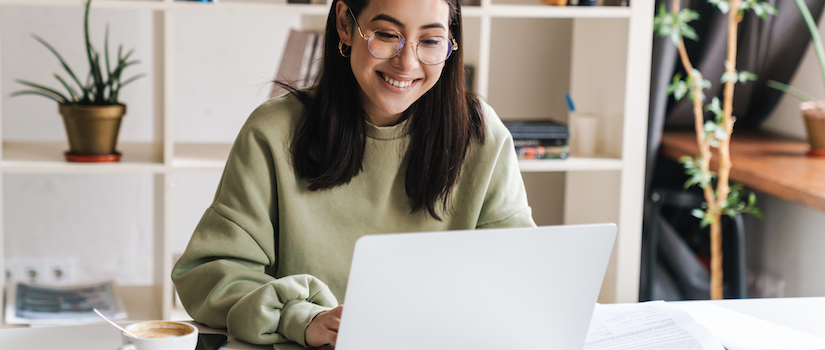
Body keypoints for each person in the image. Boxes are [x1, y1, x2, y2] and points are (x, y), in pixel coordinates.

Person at [171, 0, 536, 347]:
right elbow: (208, 275)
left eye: (430, 41)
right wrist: (300, 317)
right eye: (388, 35)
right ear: (346, 24)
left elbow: (522, 279)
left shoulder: (481, 136)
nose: (407, 62)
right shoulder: (274, 132)